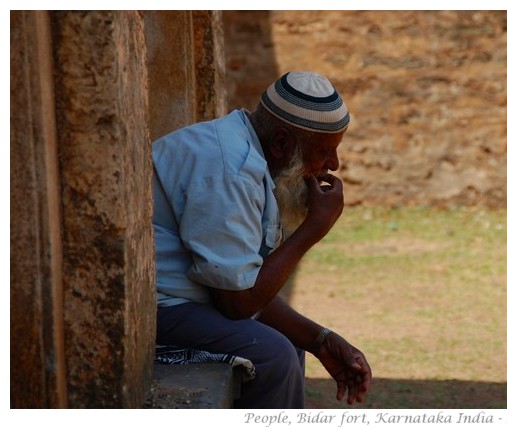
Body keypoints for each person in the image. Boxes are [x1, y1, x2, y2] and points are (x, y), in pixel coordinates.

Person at [152, 71, 372, 408]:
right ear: (282, 143)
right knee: (274, 355)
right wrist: (312, 230)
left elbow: (244, 283)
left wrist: (321, 340)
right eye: (325, 152)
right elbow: (239, 303)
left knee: (290, 341)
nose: (334, 165)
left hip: (191, 301)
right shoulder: (231, 170)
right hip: (157, 308)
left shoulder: (251, 156)